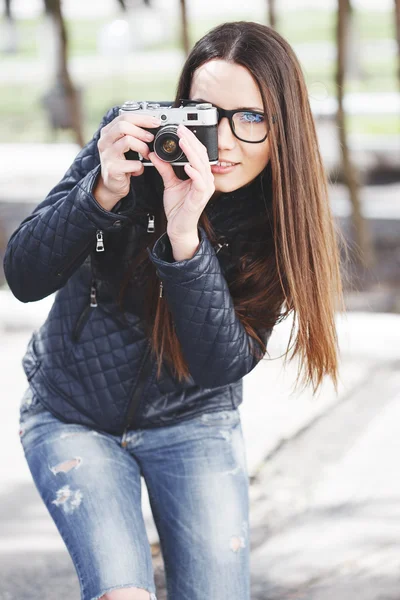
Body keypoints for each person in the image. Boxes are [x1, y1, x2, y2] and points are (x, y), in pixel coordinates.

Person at [4, 20, 346, 600]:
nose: (226, 141)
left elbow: (220, 364)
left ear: (284, 126)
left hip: (194, 423)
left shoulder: (282, 220)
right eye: (206, 115)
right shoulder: (132, 147)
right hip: (72, 413)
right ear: (180, 109)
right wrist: (100, 193)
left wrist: (185, 232)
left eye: (253, 117)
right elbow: (23, 276)